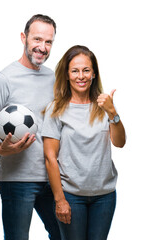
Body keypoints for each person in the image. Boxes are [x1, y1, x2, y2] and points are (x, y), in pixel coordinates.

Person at [0, 14, 61, 240]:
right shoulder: (5, 79)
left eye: (48, 42)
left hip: (51, 178)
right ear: (24, 38)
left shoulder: (52, 78)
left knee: (63, 235)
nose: (42, 47)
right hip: (17, 180)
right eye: (37, 39)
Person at [41, 45, 126, 240]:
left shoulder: (105, 105)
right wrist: (59, 199)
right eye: (75, 70)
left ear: (94, 73)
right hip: (71, 196)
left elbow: (120, 142)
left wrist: (113, 113)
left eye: (86, 70)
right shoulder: (56, 109)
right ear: (67, 74)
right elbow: (50, 157)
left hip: (104, 196)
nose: (81, 76)